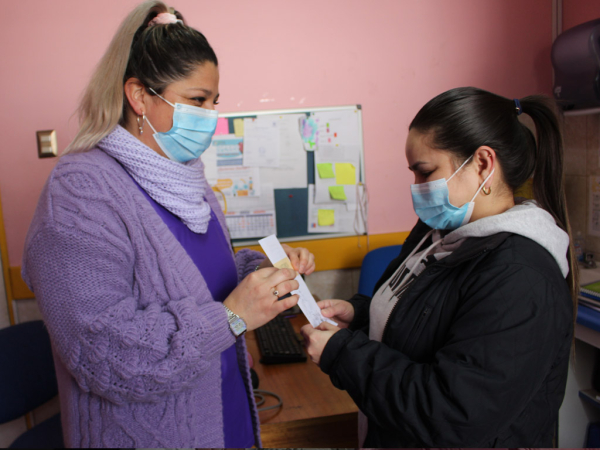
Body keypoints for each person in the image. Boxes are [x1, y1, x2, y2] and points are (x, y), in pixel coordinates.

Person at [21, 2, 315, 447]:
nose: (211, 116)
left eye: (215, 101)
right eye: (197, 101)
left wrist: (260, 272)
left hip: (226, 416)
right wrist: (234, 316)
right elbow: (101, 356)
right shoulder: (80, 193)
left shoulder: (191, 181)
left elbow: (205, 282)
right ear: (139, 97)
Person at [302, 87, 577, 447]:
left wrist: (340, 353)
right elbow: (428, 317)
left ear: (482, 164)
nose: (416, 188)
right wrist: (359, 313)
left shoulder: (519, 275)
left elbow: (452, 414)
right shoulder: (439, 233)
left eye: (425, 172)